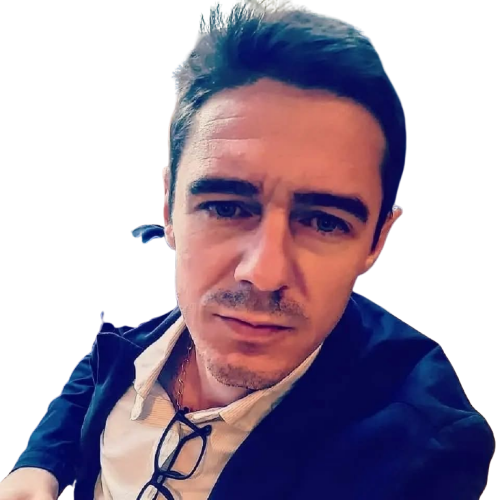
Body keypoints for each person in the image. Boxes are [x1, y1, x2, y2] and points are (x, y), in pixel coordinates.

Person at [1, 1, 495, 499]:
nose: (263, 272)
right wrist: (37, 465)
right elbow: (97, 369)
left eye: (325, 221)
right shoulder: (147, 309)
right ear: (169, 209)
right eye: (226, 208)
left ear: (377, 241)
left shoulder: (423, 452)